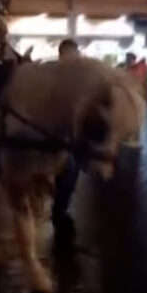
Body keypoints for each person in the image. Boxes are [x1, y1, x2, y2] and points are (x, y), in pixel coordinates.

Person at [52, 39, 81, 240]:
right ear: (63, 54)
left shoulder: (77, 76)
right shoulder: (54, 75)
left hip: (73, 133)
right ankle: (58, 210)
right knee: (67, 170)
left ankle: (60, 207)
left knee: (72, 172)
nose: (76, 56)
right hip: (57, 133)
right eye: (72, 53)